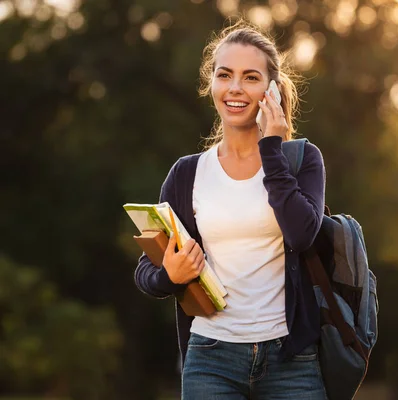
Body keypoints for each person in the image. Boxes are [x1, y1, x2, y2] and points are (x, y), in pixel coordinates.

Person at [134, 19, 327, 399]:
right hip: (211, 357)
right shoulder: (188, 173)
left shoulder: (301, 159)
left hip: (292, 359)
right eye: (225, 75)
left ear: (271, 90)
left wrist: (271, 149)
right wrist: (170, 275)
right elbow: (145, 271)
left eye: (250, 77)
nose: (235, 87)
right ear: (212, 85)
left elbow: (302, 234)